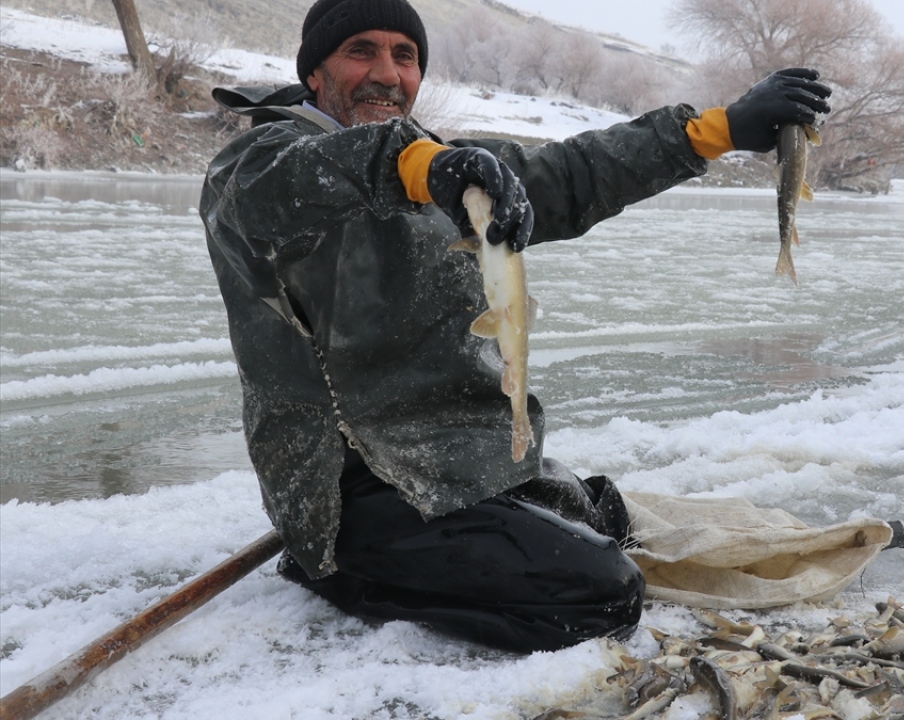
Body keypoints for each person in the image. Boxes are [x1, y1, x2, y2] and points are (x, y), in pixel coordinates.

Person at [201, 0, 832, 653]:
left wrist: (715, 130)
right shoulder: (258, 163)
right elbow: (308, 177)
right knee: (601, 593)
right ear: (315, 73)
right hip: (345, 485)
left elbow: (565, 176)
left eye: (405, 55)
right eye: (361, 51)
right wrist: (422, 166)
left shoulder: (437, 167)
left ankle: (456, 536)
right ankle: (333, 572)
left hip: (447, 453)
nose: (387, 73)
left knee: (602, 514)